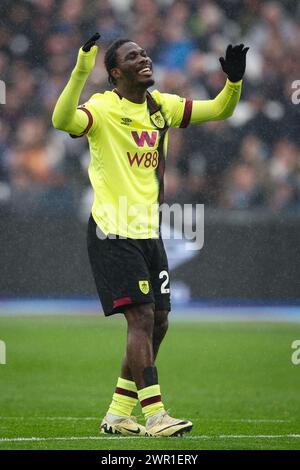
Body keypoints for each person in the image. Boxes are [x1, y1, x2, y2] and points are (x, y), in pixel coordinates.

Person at [52, 34, 248, 437]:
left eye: (143, 53)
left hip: (148, 231)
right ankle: (156, 415)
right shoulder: (104, 108)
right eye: (132, 56)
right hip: (113, 230)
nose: (144, 58)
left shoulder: (163, 106)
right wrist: (79, 71)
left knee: (159, 322)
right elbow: (62, 121)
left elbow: (220, 111)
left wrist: (233, 82)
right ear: (115, 73)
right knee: (140, 317)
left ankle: (118, 413)